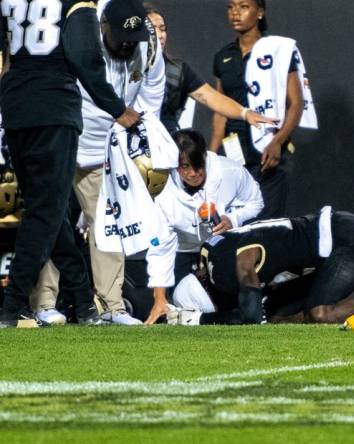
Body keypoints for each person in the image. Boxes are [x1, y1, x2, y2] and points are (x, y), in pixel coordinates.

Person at [0, 0, 140, 328]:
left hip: (17, 110)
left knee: (49, 210)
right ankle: (12, 305)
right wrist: (117, 108)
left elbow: (4, 57)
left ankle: (82, 301)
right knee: (44, 213)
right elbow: (84, 57)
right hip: (54, 108)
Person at [26, 0, 165, 326]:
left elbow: (152, 94)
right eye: (120, 37)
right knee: (51, 226)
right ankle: (44, 304)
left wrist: (140, 141)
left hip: (104, 153)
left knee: (109, 230)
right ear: (102, 26)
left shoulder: (149, 44)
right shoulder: (76, 32)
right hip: (62, 142)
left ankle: (112, 307)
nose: (128, 44)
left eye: (133, 38)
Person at [160, 209, 354, 325]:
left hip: (345, 238)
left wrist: (201, 320)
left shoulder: (224, 268)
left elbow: (248, 315)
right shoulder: (212, 253)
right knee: (287, 315)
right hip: (327, 239)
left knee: (319, 313)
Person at [144, 130, 264, 324]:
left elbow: (256, 202)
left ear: (205, 156)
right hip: (185, 250)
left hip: (224, 246)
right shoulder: (164, 194)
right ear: (174, 166)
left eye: (197, 164)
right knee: (185, 301)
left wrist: (233, 219)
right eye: (185, 167)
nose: (193, 173)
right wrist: (159, 299)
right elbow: (161, 248)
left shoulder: (229, 172)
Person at [210, 0, 304, 219]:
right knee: (234, 228)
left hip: (268, 153)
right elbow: (219, 110)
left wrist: (278, 142)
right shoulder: (223, 57)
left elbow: (296, 103)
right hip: (234, 154)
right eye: (231, 7)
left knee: (264, 230)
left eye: (243, 7)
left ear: (260, 12)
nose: (235, 12)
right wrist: (212, 157)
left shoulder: (278, 51)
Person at [144, 5, 273, 134]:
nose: (160, 35)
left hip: (164, 145)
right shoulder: (126, 69)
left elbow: (210, 97)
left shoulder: (177, 70)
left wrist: (245, 113)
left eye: (162, 29)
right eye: (152, 30)